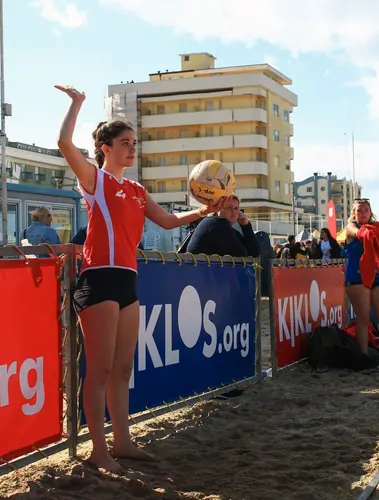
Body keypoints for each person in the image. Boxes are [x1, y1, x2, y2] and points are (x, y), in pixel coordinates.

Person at [55, 85, 224, 474]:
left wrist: (204, 210)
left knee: (122, 370)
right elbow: (64, 142)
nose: (132, 149)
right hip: (98, 280)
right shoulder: (96, 180)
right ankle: (99, 451)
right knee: (97, 370)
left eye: (134, 143)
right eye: (125, 143)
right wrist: (77, 104)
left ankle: (123, 442)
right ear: (105, 147)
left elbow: (167, 221)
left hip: (128, 281)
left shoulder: (136, 189)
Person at [344, 199, 379, 364]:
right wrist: (373, 233)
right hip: (356, 277)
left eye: (366, 210)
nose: (363, 214)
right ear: (354, 213)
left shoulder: (375, 228)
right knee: (363, 318)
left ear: (370, 212)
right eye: (359, 211)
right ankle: (363, 357)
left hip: (375, 276)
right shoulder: (350, 228)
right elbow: (359, 233)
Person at [185, 195, 260, 257]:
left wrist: (246, 226)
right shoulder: (215, 223)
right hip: (200, 272)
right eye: (229, 207)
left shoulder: (229, 229)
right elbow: (241, 253)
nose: (234, 212)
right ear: (217, 209)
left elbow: (254, 253)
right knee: (263, 238)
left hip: (210, 271)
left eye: (236, 208)